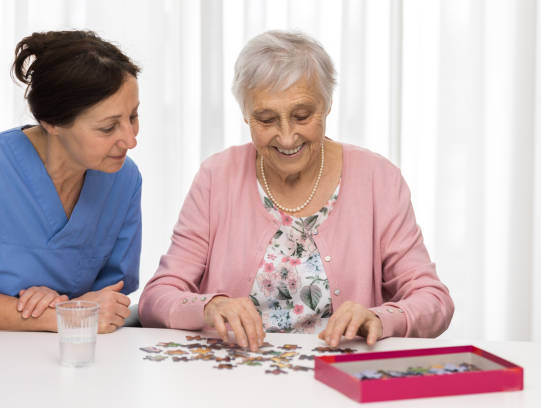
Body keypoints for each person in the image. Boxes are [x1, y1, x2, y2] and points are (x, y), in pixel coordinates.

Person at [139, 30, 453, 350]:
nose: (287, 137)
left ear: (327, 105)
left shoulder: (378, 178)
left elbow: (434, 300)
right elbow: (156, 298)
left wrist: (382, 318)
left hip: (340, 380)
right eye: (266, 119)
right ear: (245, 114)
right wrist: (209, 307)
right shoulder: (215, 177)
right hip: (233, 380)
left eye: (302, 116)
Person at [0, 30, 142, 333]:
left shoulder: (124, 181)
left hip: (77, 360)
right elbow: (85, 313)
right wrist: (58, 314)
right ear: (53, 123)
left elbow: (111, 299)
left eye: (133, 116)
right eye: (108, 128)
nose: (130, 140)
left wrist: (67, 306)